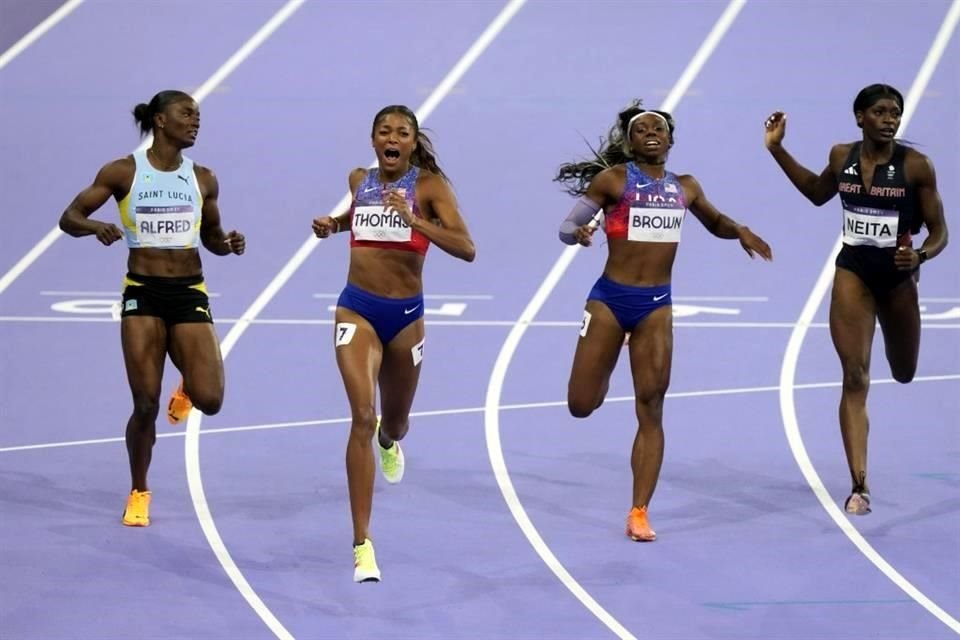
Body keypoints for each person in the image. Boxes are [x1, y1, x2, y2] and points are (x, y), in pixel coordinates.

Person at [555, 100, 773, 542]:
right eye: (642, 129)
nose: (651, 132)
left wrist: (741, 231)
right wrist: (577, 234)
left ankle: (639, 511)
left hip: (656, 306)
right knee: (581, 405)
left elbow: (715, 223)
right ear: (630, 142)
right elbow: (566, 227)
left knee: (651, 408)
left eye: (659, 127)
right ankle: (607, 357)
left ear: (671, 140)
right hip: (609, 302)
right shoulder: (612, 181)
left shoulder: (685, 186)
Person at [58, 90, 245, 527]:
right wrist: (94, 227)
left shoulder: (203, 178)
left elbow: (212, 238)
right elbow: (69, 216)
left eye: (198, 116)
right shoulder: (124, 171)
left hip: (188, 293)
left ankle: (188, 386)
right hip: (142, 293)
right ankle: (139, 490)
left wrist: (229, 244)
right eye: (186, 115)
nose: (195, 122)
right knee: (144, 403)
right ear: (161, 121)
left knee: (211, 399)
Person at [764, 83, 948, 515]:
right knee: (855, 376)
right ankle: (859, 486)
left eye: (895, 114)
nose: (889, 121)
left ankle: (860, 477)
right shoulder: (840, 157)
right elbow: (815, 192)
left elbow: (941, 232)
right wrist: (777, 150)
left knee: (903, 371)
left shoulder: (917, 166)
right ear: (860, 117)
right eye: (881, 113)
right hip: (853, 271)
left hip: (898, 277)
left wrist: (919, 254)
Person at [312, 105, 475, 582]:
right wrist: (333, 225)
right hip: (356, 308)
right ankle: (363, 543)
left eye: (402, 132)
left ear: (412, 142)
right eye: (384, 130)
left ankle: (390, 439)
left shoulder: (429, 188)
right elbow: (363, 218)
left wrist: (416, 220)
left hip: (405, 318)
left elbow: (467, 248)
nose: (392, 138)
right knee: (361, 415)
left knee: (395, 422)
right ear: (372, 139)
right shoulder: (358, 179)